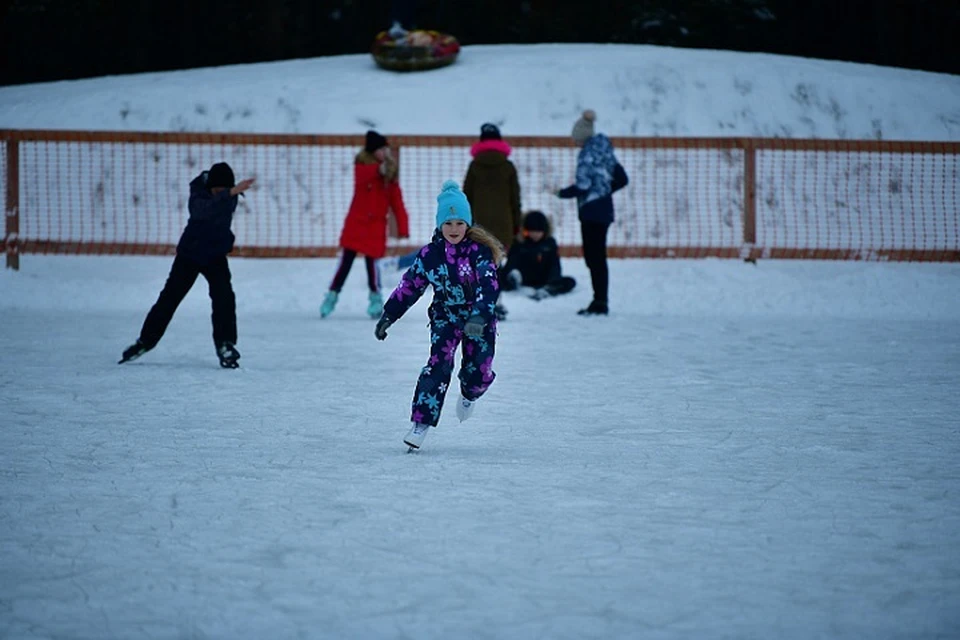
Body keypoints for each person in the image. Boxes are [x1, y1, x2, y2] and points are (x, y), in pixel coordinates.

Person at [374, 180, 504, 451]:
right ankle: (420, 424)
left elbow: (489, 286)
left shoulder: (478, 253)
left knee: (477, 373)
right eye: (448, 223)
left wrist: (479, 316)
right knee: (438, 366)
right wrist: (389, 314)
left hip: (478, 320)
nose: (454, 229)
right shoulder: (430, 255)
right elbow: (410, 286)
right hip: (445, 317)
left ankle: (470, 394)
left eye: (459, 223)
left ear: (467, 224)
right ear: (439, 225)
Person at [119, 162, 255, 368]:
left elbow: (220, 217)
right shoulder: (198, 194)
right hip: (190, 254)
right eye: (219, 190)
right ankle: (145, 341)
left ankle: (225, 344)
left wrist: (227, 236)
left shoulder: (229, 195)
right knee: (169, 298)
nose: (223, 193)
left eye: (226, 190)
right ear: (210, 186)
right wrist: (230, 192)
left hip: (215, 255)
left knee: (224, 297)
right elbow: (203, 211)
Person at [321, 130, 410, 319]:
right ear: (373, 151)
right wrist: (379, 170)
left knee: (373, 267)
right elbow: (364, 177)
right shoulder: (362, 166)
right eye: (381, 149)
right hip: (357, 224)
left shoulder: (390, 175)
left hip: (376, 227)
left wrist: (403, 226)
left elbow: (397, 201)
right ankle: (332, 295)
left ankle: (376, 300)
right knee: (345, 264)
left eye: (385, 148)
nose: (384, 152)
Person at [556, 109, 629, 316]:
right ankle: (601, 299)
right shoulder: (606, 152)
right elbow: (622, 179)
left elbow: (583, 185)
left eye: (576, 138)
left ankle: (599, 302)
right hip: (605, 211)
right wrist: (604, 192)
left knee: (593, 257)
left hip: (590, 213)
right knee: (599, 257)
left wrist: (562, 193)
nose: (575, 143)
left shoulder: (586, 154)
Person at [462, 122, 521, 321]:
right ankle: (496, 302)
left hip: (479, 226)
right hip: (504, 226)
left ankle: (478, 303)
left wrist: (464, 224)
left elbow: (466, 198)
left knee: (479, 265)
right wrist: (517, 226)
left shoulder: (474, 166)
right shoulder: (508, 167)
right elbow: (515, 200)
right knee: (497, 265)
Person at [502, 210, 576, 300]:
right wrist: (512, 274)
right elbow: (511, 263)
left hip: (544, 279)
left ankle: (549, 289)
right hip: (523, 278)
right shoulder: (520, 243)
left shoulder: (549, 243)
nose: (535, 235)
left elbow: (555, 264)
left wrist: (553, 280)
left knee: (570, 282)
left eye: (538, 232)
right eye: (532, 232)